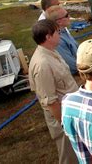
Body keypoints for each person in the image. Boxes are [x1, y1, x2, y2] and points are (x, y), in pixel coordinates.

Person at [28, 19, 79, 164]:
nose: (60, 34)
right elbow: (50, 102)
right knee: (69, 157)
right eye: (57, 32)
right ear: (48, 37)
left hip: (70, 112)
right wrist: (65, 124)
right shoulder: (43, 64)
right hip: (62, 118)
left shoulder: (52, 52)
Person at [47, 5, 78, 75]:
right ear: (59, 22)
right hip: (74, 76)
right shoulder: (58, 40)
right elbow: (71, 66)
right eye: (66, 15)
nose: (69, 17)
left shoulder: (63, 31)